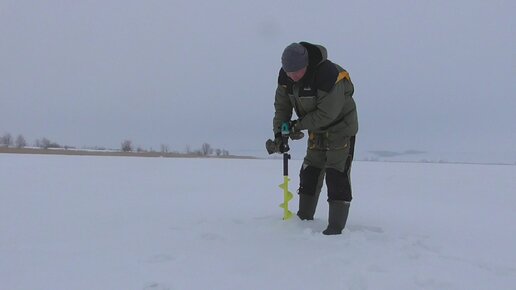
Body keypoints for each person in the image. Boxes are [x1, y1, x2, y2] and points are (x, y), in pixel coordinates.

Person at [269, 42, 358, 235]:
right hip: (315, 129)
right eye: (288, 71)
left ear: (306, 65)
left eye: (296, 72)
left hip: (340, 127)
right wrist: (280, 133)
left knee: (336, 174)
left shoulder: (329, 75)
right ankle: (304, 219)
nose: (292, 76)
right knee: (311, 170)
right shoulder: (286, 78)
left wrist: (296, 126)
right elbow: (282, 108)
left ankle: (335, 228)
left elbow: (328, 114)